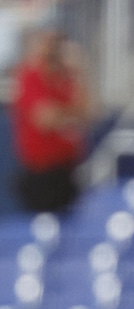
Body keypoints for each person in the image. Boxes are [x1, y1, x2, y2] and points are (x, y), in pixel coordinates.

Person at [10, 28, 91, 213]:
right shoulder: (30, 76)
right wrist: (71, 114)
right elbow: (45, 118)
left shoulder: (68, 78)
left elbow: (89, 112)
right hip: (42, 174)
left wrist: (81, 72)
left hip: (69, 169)